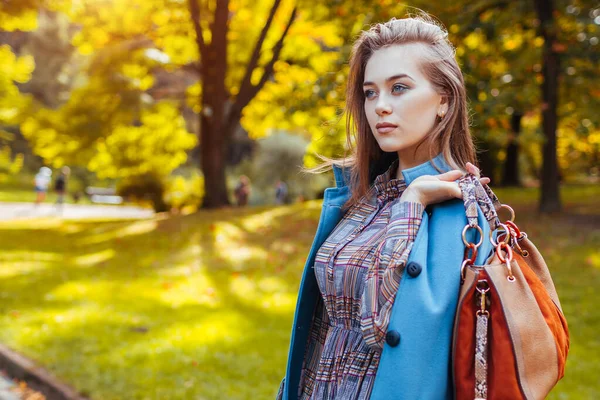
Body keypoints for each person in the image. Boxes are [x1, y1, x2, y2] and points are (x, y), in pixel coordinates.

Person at [277, 15, 497, 400]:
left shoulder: (461, 212)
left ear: (443, 100)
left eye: (399, 88)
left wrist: (412, 205)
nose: (380, 106)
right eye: (370, 92)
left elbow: (379, 327)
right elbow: (321, 322)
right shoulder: (364, 196)